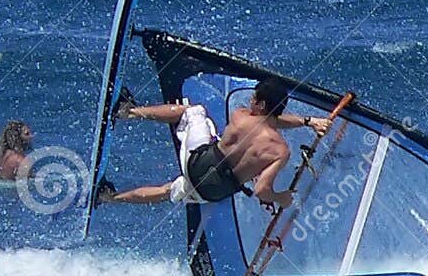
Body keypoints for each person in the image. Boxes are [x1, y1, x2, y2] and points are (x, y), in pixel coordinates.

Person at [95, 78, 329, 211]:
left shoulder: (241, 115)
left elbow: (270, 122)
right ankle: (107, 198)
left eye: (254, 99)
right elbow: (262, 191)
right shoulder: (280, 151)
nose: (250, 100)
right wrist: (281, 198)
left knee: (194, 111)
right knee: (169, 191)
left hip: (199, 164)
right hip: (213, 191)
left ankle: (128, 112)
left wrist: (308, 122)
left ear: (260, 105)